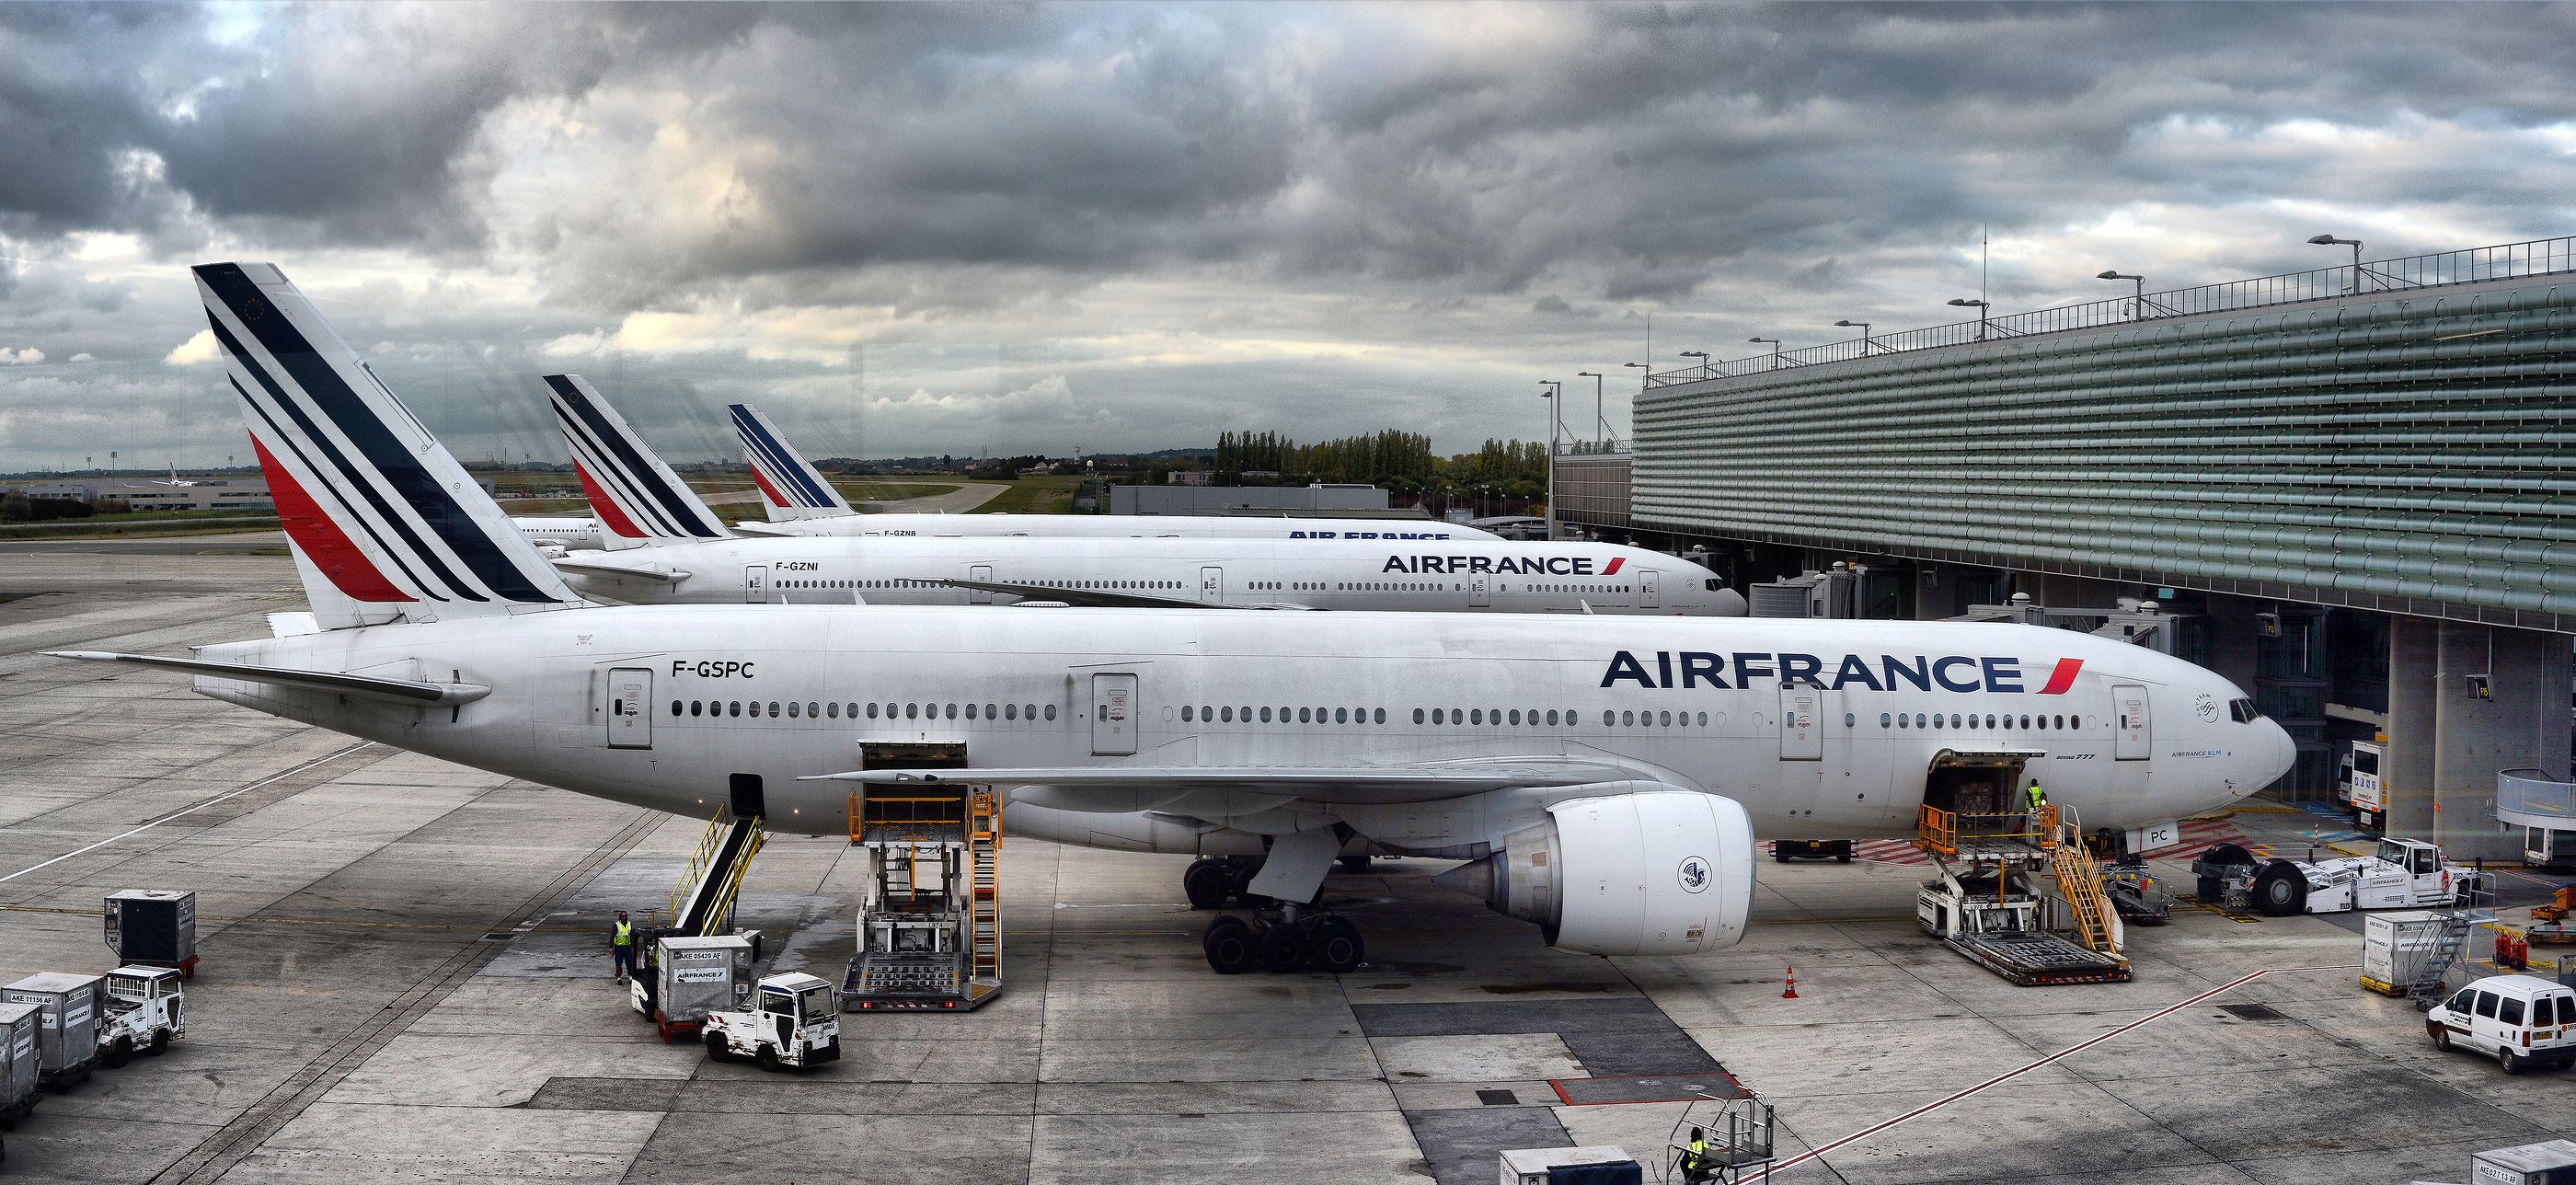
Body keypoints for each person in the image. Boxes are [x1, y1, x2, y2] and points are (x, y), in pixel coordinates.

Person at [611, 911, 636, 982]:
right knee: (618, 963)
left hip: (627, 947)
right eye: (622, 916)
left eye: (625, 916)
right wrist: (611, 947)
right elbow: (612, 936)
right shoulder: (616, 925)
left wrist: (633, 945)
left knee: (629, 962)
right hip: (619, 947)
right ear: (620, 917)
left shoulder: (629, 924)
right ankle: (618, 977)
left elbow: (631, 935)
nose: (624, 917)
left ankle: (630, 976)